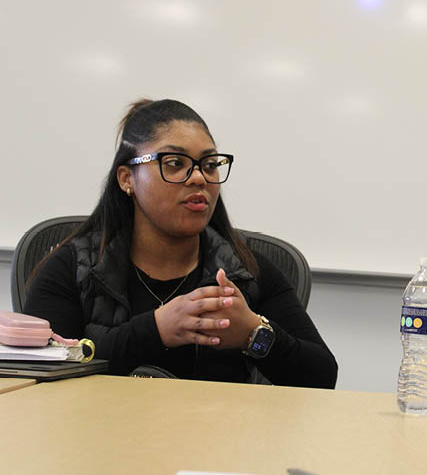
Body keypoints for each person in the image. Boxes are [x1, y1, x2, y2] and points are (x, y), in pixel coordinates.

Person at [24, 98, 337, 388]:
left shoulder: (247, 271)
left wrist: (254, 334)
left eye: (210, 164)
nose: (199, 177)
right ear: (126, 178)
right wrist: (155, 330)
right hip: (100, 440)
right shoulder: (71, 268)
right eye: (174, 163)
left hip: (218, 441)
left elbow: (323, 377)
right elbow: (39, 375)